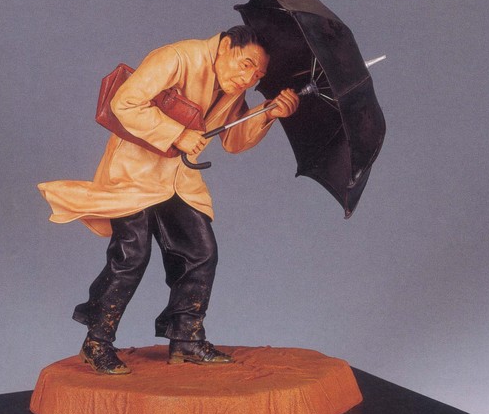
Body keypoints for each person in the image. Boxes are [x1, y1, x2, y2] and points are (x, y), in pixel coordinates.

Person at [38, 26, 299, 374]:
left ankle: (186, 339)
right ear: (225, 46)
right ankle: (96, 341)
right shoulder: (177, 57)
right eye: (246, 64)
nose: (249, 78)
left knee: (201, 251)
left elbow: (234, 141)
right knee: (131, 255)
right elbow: (124, 103)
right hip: (135, 172)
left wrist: (267, 113)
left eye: (258, 75)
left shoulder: (231, 87)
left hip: (177, 178)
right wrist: (177, 133)